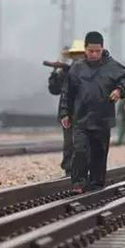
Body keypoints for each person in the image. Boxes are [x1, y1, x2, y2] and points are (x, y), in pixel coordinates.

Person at [59, 31, 125, 193]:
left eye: (97, 51)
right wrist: (65, 113)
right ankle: (78, 183)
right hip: (81, 117)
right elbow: (67, 92)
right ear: (85, 49)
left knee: (99, 153)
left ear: (102, 49)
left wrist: (119, 90)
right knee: (79, 150)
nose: (94, 54)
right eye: (90, 51)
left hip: (102, 118)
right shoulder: (77, 68)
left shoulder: (112, 66)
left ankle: (96, 185)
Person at [48, 40, 85, 176]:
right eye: (76, 55)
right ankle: (69, 170)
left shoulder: (92, 72)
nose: (78, 58)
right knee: (69, 143)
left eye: (81, 54)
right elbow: (54, 89)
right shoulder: (66, 72)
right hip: (68, 112)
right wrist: (55, 72)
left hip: (86, 112)